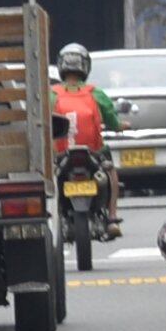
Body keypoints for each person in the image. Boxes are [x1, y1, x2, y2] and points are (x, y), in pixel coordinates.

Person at [46, 42, 123, 237]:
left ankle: (53, 217)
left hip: (61, 154)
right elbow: (113, 122)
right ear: (85, 67)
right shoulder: (96, 93)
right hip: (94, 153)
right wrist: (122, 126)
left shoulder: (51, 94)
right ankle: (112, 218)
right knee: (111, 174)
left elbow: (42, 121)